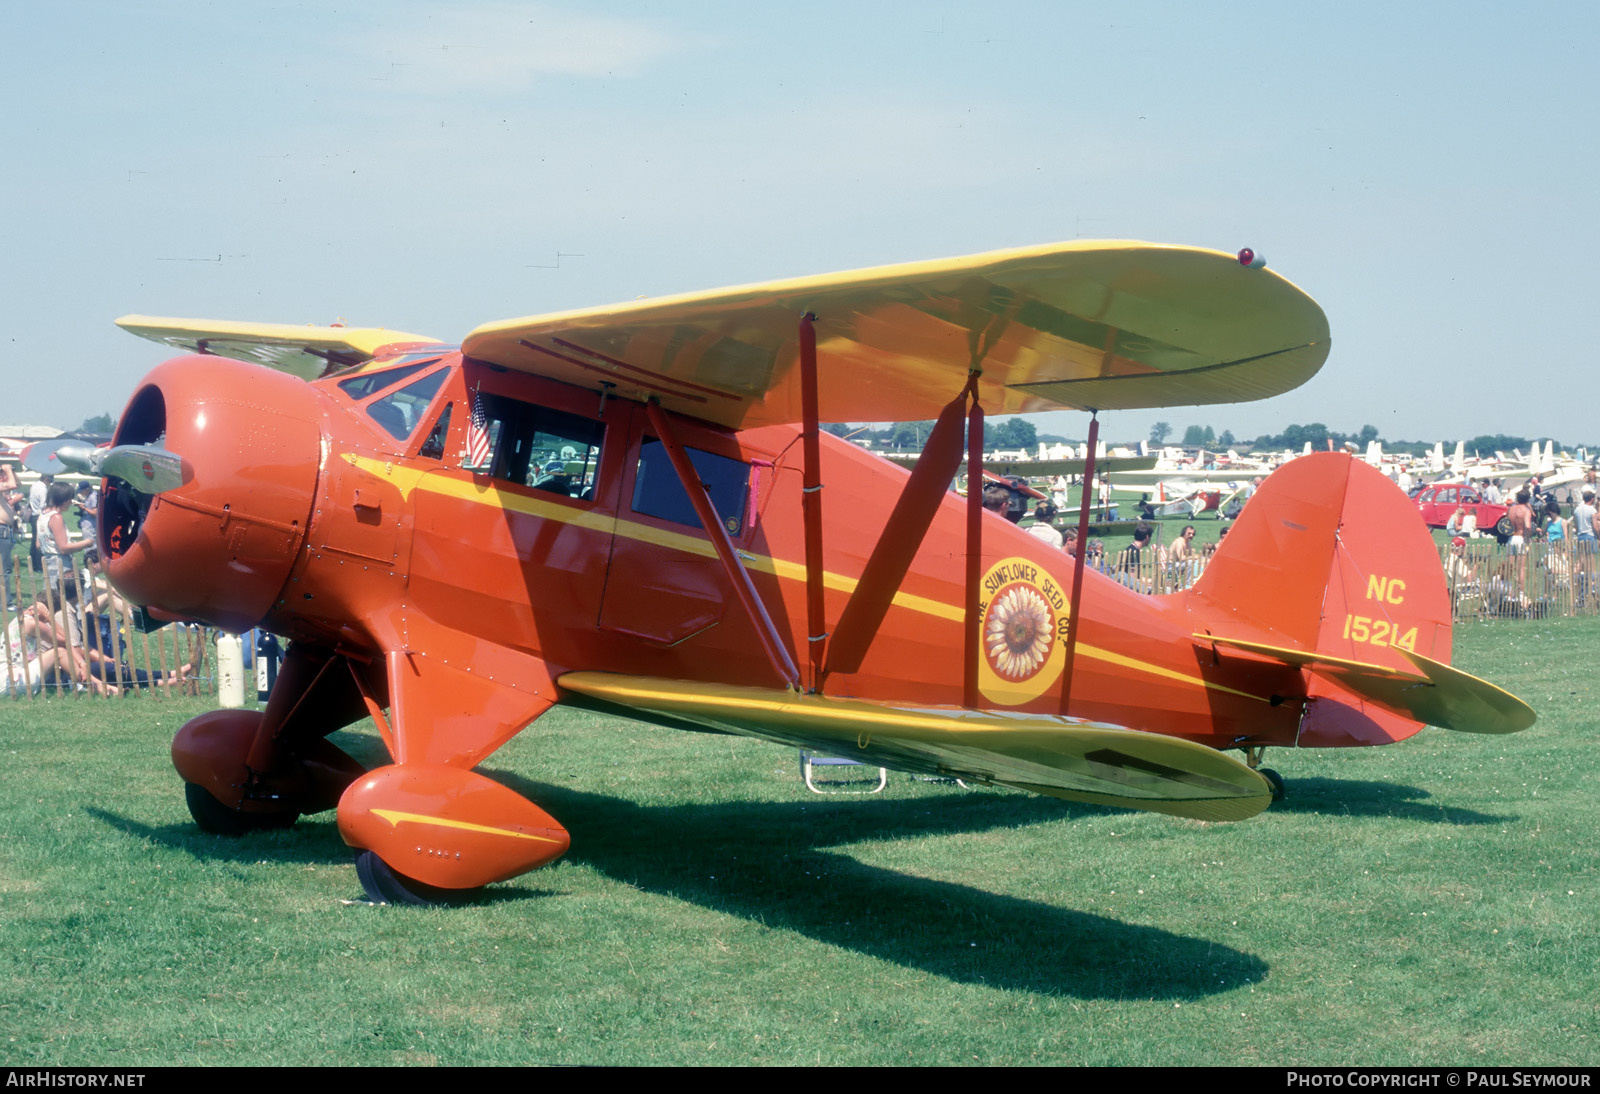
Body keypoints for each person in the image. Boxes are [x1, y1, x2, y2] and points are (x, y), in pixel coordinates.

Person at [37, 480, 92, 592]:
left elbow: (38, 545)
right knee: (62, 594)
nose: (70, 502)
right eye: (69, 499)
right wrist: (86, 543)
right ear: (63, 500)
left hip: (48, 560)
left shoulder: (42, 516)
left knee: (51, 594)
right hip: (60, 562)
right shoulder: (56, 518)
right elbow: (63, 548)